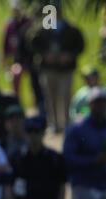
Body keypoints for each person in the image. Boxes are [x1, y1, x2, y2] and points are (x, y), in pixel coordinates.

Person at [30, 3, 84, 132]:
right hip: (48, 69)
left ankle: (66, 123)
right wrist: (44, 54)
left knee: (65, 96)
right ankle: (53, 124)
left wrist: (69, 55)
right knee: (50, 97)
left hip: (66, 70)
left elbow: (80, 46)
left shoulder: (71, 29)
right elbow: (33, 43)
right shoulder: (42, 29)